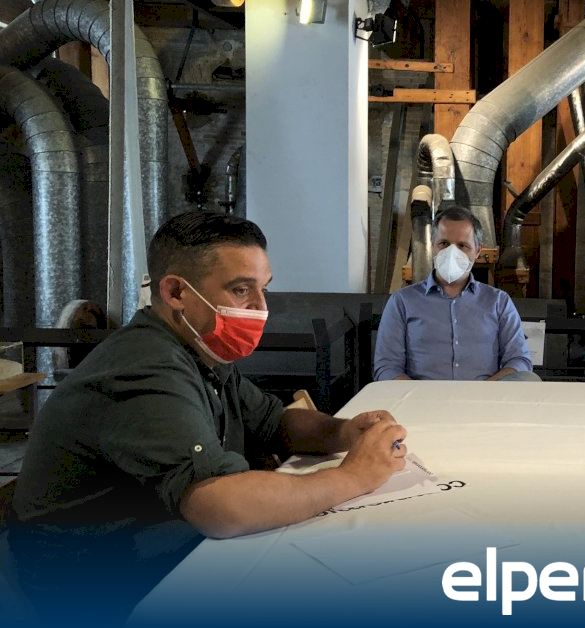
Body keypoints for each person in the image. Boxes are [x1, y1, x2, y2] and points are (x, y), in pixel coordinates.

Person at [7, 211, 409, 623]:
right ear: (176, 292)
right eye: (241, 290)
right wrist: (353, 476)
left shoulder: (198, 350)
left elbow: (273, 421)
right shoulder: (144, 366)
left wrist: (342, 431)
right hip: (97, 588)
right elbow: (221, 506)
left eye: (264, 289)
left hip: (157, 550)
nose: (261, 308)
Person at [373, 206, 537, 382]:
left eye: (462, 246)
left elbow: (519, 360)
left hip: (484, 396)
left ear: (477, 251)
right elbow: (387, 367)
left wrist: (485, 390)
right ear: (433, 247)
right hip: (421, 397)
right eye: (444, 244)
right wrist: (418, 395)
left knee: (530, 379)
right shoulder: (402, 302)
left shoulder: (498, 302)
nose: (452, 253)